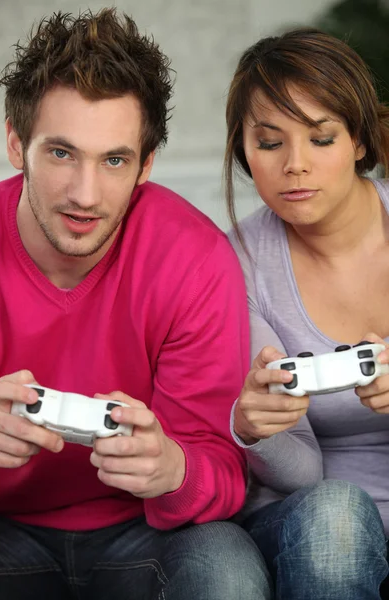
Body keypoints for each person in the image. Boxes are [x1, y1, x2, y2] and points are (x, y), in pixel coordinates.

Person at [0, 8, 273, 600]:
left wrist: (173, 470)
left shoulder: (193, 259)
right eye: (61, 154)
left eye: (114, 160)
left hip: (143, 534)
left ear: (146, 165)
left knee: (227, 571)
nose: (85, 195)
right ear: (17, 143)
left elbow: (223, 472)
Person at [225, 27, 389, 600]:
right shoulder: (237, 263)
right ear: (245, 153)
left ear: (360, 141)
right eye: (270, 143)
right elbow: (303, 477)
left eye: (321, 138)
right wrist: (257, 430)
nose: (295, 165)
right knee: (337, 518)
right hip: (311, 523)